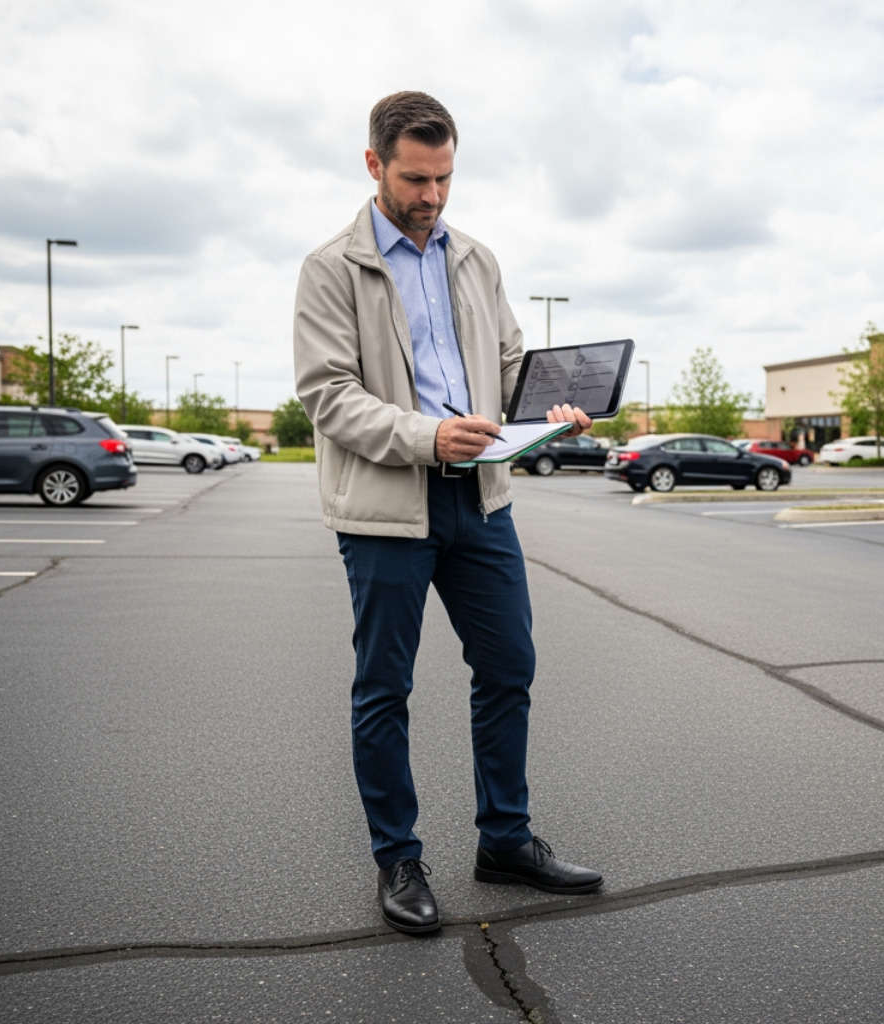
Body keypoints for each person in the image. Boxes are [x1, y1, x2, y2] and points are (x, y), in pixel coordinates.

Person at [293, 91, 602, 936]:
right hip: (388, 508)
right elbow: (328, 395)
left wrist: (553, 406)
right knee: (384, 688)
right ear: (374, 165)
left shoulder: (477, 260)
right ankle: (398, 859)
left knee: (509, 667)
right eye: (415, 178)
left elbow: (507, 367)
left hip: (482, 500)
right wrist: (430, 438)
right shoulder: (331, 268)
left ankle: (505, 841)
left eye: (444, 178)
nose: (431, 196)